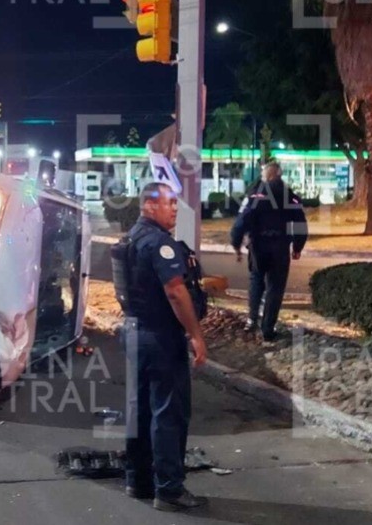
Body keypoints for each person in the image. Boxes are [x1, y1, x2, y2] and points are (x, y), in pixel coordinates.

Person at [119, 183, 209, 512]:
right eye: (169, 203)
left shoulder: (130, 238)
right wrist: (196, 334)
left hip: (134, 332)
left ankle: (138, 479)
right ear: (149, 205)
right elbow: (175, 291)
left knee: (140, 410)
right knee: (168, 412)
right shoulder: (160, 244)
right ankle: (169, 489)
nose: (174, 209)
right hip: (160, 336)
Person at [229, 161, 308, 341]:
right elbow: (301, 224)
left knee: (256, 280)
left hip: (258, 246)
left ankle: (251, 320)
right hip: (280, 247)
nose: (262, 177)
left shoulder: (256, 196)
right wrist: (297, 247)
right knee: (275, 287)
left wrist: (236, 243)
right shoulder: (291, 197)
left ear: (269, 176)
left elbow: (242, 221)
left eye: (264, 174)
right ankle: (268, 328)